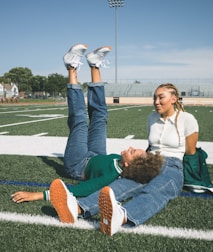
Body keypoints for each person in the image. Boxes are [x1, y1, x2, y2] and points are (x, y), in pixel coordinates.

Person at [11, 44, 164, 216]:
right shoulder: (123, 164)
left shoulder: (109, 178)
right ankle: (94, 64)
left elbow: (79, 189)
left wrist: (37, 195)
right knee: (100, 116)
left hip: (78, 164)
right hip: (96, 154)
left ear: (128, 164)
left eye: (132, 151)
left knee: (80, 120)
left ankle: (71, 66)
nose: (130, 147)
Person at [45, 82, 199, 233]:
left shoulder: (187, 119)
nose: (156, 102)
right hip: (149, 161)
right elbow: (151, 146)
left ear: (174, 98)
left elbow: (191, 152)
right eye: (154, 98)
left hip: (173, 165)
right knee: (120, 185)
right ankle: (77, 208)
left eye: (161, 97)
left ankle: (122, 216)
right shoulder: (152, 118)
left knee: (155, 190)